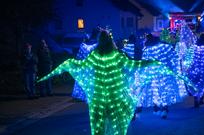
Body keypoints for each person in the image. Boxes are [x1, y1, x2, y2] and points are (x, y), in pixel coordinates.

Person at [38, 30, 186, 135]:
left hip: (99, 99)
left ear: (99, 42)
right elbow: (134, 66)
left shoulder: (94, 56)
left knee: (98, 127)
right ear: (110, 41)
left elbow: (77, 65)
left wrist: (62, 67)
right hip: (115, 98)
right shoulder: (116, 55)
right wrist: (152, 63)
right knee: (118, 126)